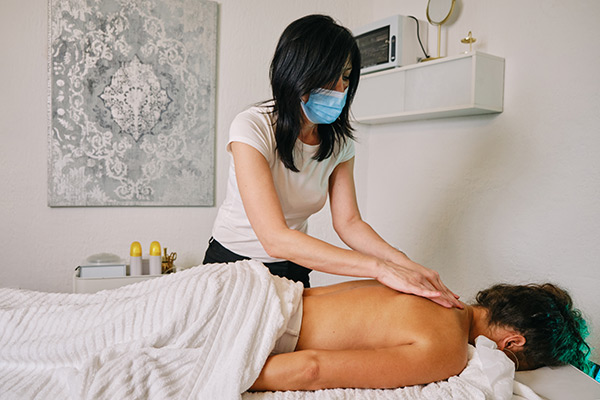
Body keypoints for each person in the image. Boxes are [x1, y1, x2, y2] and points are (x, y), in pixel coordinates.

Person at [204, 14, 461, 308]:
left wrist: (402, 262)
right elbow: (274, 237)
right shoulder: (252, 127)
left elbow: (349, 222)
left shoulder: (339, 142)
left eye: (347, 77)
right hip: (232, 264)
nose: (340, 89)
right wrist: (379, 268)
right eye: (330, 76)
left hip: (293, 267)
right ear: (296, 74)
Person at [250, 279, 591, 391]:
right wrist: (232, 374)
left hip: (253, 287)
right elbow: (312, 369)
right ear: (513, 343)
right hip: (253, 324)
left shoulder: (428, 285)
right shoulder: (447, 350)